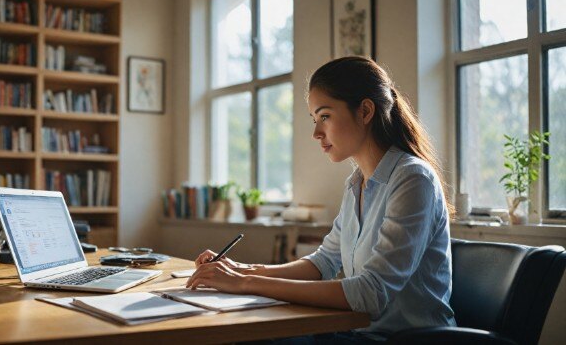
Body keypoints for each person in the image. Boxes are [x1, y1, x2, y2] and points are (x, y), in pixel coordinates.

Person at [186, 56, 456, 343]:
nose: (316, 133)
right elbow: (323, 262)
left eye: (325, 116)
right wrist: (244, 270)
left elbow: (371, 292)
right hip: (357, 334)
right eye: (315, 119)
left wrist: (247, 283)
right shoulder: (356, 184)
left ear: (365, 111)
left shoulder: (413, 179)